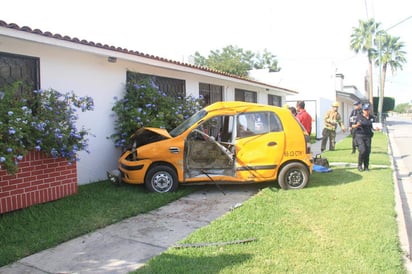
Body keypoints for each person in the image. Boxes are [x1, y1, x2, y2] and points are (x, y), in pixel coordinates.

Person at [352, 103, 376, 172]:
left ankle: (366, 167)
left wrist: (376, 128)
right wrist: (357, 125)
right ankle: (359, 165)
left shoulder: (372, 117)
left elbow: (373, 127)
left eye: (368, 110)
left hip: (368, 136)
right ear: (362, 110)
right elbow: (352, 126)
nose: (367, 111)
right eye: (365, 110)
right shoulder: (359, 117)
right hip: (360, 135)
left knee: (367, 151)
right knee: (362, 150)